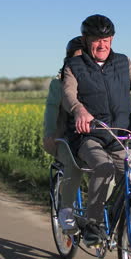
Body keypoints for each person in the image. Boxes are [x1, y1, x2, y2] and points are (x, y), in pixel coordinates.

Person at [60, 14, 131, 244]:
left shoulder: (123, 62)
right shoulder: (74, 65)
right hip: (89, 135)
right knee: (103, 168)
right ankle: (94, 224)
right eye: (97, 39)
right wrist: (79, 110)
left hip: (121, 136)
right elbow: (68, 94)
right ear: (86, 39)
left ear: (112, 39)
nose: (102, 45)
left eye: (107, 39)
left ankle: (122, 220)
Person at [43, 37, 85, 225]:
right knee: (73, 166)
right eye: (76, 58)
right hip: (65, 138)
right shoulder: (58, 84)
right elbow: (51, 110)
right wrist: (50, 135)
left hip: (89, 138)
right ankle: (66, 212)